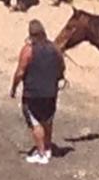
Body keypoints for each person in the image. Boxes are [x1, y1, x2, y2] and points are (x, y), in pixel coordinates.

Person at [10, 20, 65, 165]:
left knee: (35, 124)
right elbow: (61, 66)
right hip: (51, 92)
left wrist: (14, 88)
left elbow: (20, 72)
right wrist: (57, 78)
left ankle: (41, 154)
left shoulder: (28, 50)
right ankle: (47, 148)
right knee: (47, 121)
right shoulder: (55, 48)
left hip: (32, 93)